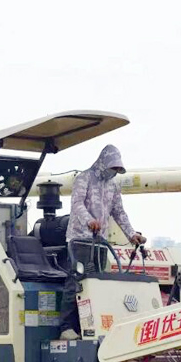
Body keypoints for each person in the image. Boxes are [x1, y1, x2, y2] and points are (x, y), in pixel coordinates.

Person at [59, 144, 146, 340]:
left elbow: (119, 212)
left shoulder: (113, 186)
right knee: (76, 282)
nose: (114, 172)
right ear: (103, 163)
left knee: (96, 285)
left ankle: (88, 327)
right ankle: (66, 327)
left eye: (117, 169)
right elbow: (77, 204)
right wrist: (89, 221)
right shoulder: (84, 178)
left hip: (100, 243)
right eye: (112, 168)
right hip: (80, 239)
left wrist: (132, 234)